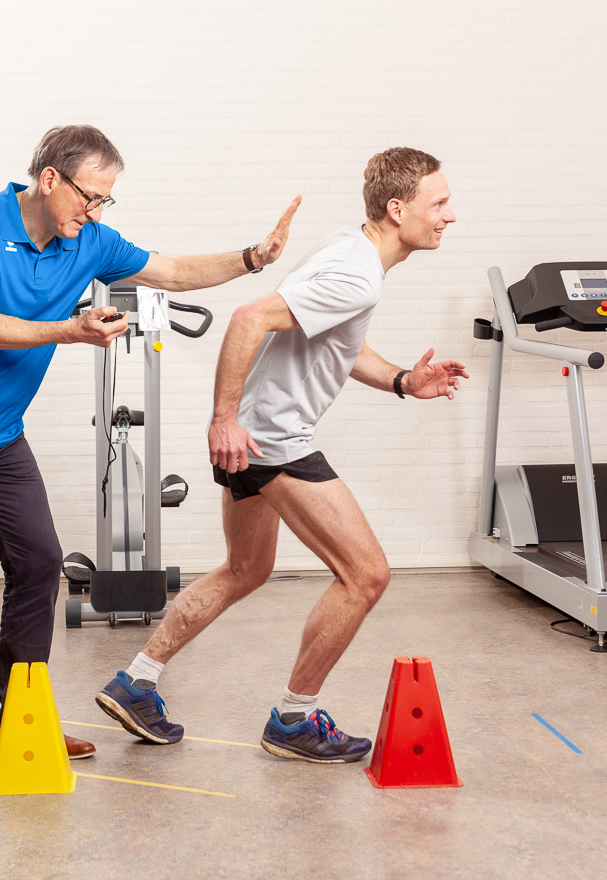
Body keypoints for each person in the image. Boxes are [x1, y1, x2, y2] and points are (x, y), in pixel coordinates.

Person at [0, 124, 301, 774]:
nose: (96, 212)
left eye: (105, 201)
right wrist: (69, 331)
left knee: (39, 565)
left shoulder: (90, 242)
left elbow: (174, 272)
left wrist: (252, 257)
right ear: (50, 180)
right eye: (89, 197)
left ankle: (24, 716)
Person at [96, 147, 467, 764]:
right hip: (272, 441)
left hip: (255, 436)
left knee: (245, 569)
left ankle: (137, 680)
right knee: (367, 574)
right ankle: (295, 719)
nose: (449, 215)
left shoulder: (351, 252)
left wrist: (403, 380)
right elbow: (246, 319)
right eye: (440, 203)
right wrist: (225, 419)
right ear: (398, 209)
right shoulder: (356, 271)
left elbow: (339, 341)